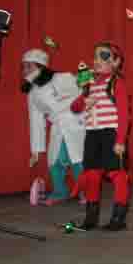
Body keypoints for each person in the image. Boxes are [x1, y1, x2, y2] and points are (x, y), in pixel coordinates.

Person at [70, 42, 131, 231]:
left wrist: (120, 140)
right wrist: (84, 102)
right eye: (95, 56)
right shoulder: (89, 84)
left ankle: (118, 218)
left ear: (116, 62)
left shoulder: (116, 83)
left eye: (103, 56)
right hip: (93, 134)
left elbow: (124, 113)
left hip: (110, 132)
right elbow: (74, 107)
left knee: (117, 174)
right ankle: (91, 217)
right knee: (91, 174)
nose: (97, 60)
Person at [20, 48, 85, 205]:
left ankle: (86, 192)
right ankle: (60, 192)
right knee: (54, 161)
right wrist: (36, 150)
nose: (25, 70)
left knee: (77, 159)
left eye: (29, 66)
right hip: (58, 127)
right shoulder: (32, 94)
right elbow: (36, 121)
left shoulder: (62, 78)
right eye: (24, 66)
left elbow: (84, 90)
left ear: (41, 66)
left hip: (76, 123)